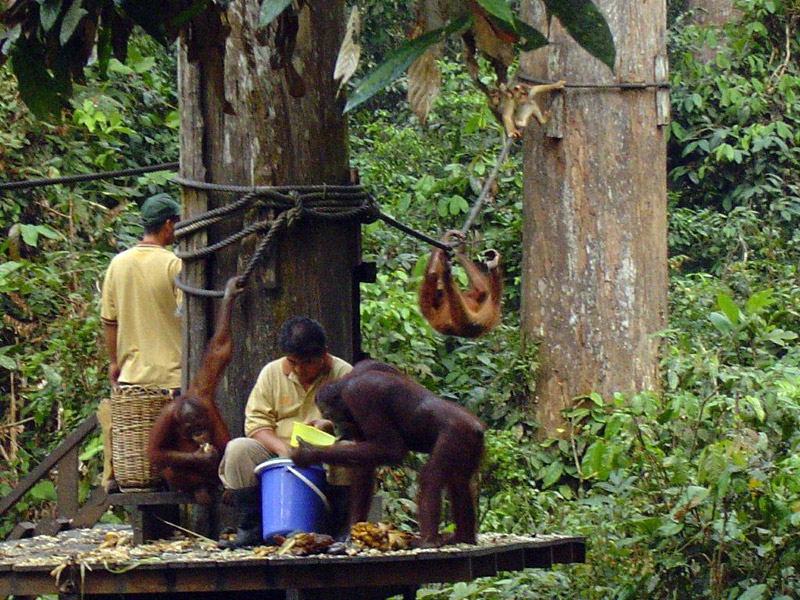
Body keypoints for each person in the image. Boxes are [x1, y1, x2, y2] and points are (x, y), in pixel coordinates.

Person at [217, 316, 352, 548]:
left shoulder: (344, 374)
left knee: (348, 450)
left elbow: (358, 427)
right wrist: (284, 450)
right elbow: (256, 424)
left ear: (324, 354)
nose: (299, 370)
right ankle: (250, 529)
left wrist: (330, 426)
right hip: (279, 456)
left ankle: (341, 529)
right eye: (293, 362)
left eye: (308, 363)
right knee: (238, 449)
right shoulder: (272, 373)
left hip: (325, 455)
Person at [98, 193, 183, 491]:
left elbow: (110, 322)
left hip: (134, 379)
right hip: (172, 378)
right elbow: (188, 318)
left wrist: (114, 362)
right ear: (169, 225)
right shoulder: (174, 264)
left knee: (140, 453)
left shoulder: (118, 264)